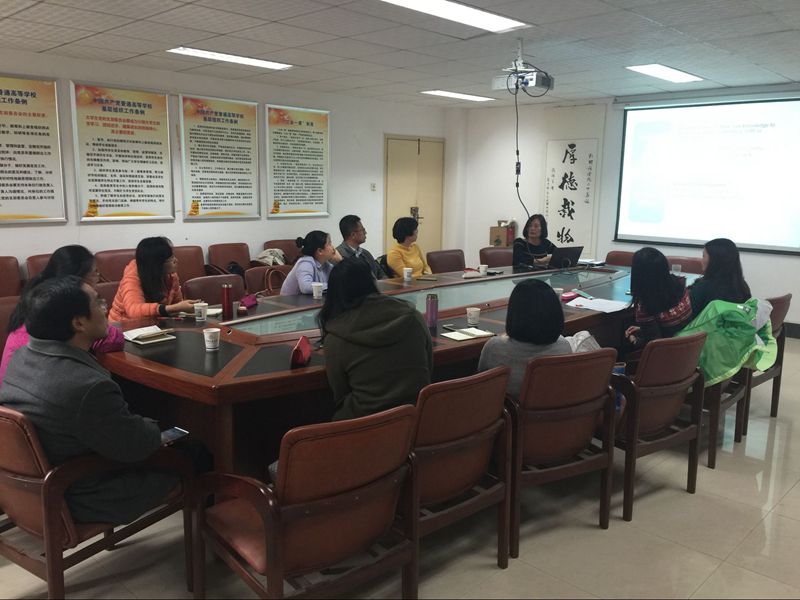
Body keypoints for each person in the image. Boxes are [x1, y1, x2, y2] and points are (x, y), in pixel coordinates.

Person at [0, 276, 180, 524]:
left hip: (29, 491)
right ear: (79, 323)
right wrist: (157, 427)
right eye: (98, 302)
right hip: (80, 494)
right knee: (195, 454)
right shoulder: (86, 387)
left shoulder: (21, 356)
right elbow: (137, 446)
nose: (105, 308)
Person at [319, 258, 433, 420]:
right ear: (372, 282)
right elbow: (428, 366)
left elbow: (339, 393)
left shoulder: (336, 337)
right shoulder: (413, 317)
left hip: (364, 424)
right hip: (417, 417)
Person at [0, 245, 124, 387]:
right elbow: (113, 339)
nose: (98, 279)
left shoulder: (37, 298)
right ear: (77, 281)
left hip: (14, 390)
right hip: (38, 388)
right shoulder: (61, 308)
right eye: (94, 273)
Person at [478, 279, 571, 397]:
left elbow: (480, 383)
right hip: (555, 406)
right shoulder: (564, 345)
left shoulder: (494, 347)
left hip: (508, 408)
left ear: (514, 313)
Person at [109, 237, 199, 322]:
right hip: (124, 325)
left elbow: (177, 303)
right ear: (157, 264)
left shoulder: (171, 275)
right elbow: (134, 311)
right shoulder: (133, 275)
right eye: (171, 259)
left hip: (155, 324)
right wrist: (175, 308)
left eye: (173, 256)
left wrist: (185, 308)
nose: (176, 261)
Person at [624, 247, 693, 349]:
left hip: (669, 353)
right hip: (691, 346)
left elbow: (653, 346)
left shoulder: (646, 307)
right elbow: (672, 326)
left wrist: (633, 339)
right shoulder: (680, 283)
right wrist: (644, 328)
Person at [689, 238, 751, 317]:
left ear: (714, 260)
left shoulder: (702, 288)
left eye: (704, 256)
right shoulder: (742, 286)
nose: (702, 260)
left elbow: (687, 317)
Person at [280, 231, 343, 295]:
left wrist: (341, 261)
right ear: (320, 251)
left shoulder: (325, 264)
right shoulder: (305, 263)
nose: (333, 248)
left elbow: (341, 280)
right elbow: (305, 287)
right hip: (289, 301)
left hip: (310, 300)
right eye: (329, 244)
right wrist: (332, 286)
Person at [336, 214, 386, 279]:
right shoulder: (339, 255)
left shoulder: (366, 253)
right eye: (363, 230)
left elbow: (380, 272)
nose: (365, 233)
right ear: (353, 235)